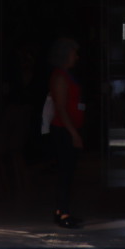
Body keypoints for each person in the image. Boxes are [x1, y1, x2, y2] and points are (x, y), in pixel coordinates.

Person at [45, 37, 84, 228]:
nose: (76, 57)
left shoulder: (66, 75)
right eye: (74, 53)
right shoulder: (60, 77)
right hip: (63, 130)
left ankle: (62, 210)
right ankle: (63, 212)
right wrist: (73, 133)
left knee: (68, 171)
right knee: (65, 172)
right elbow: (60, 108)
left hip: (68, 128)